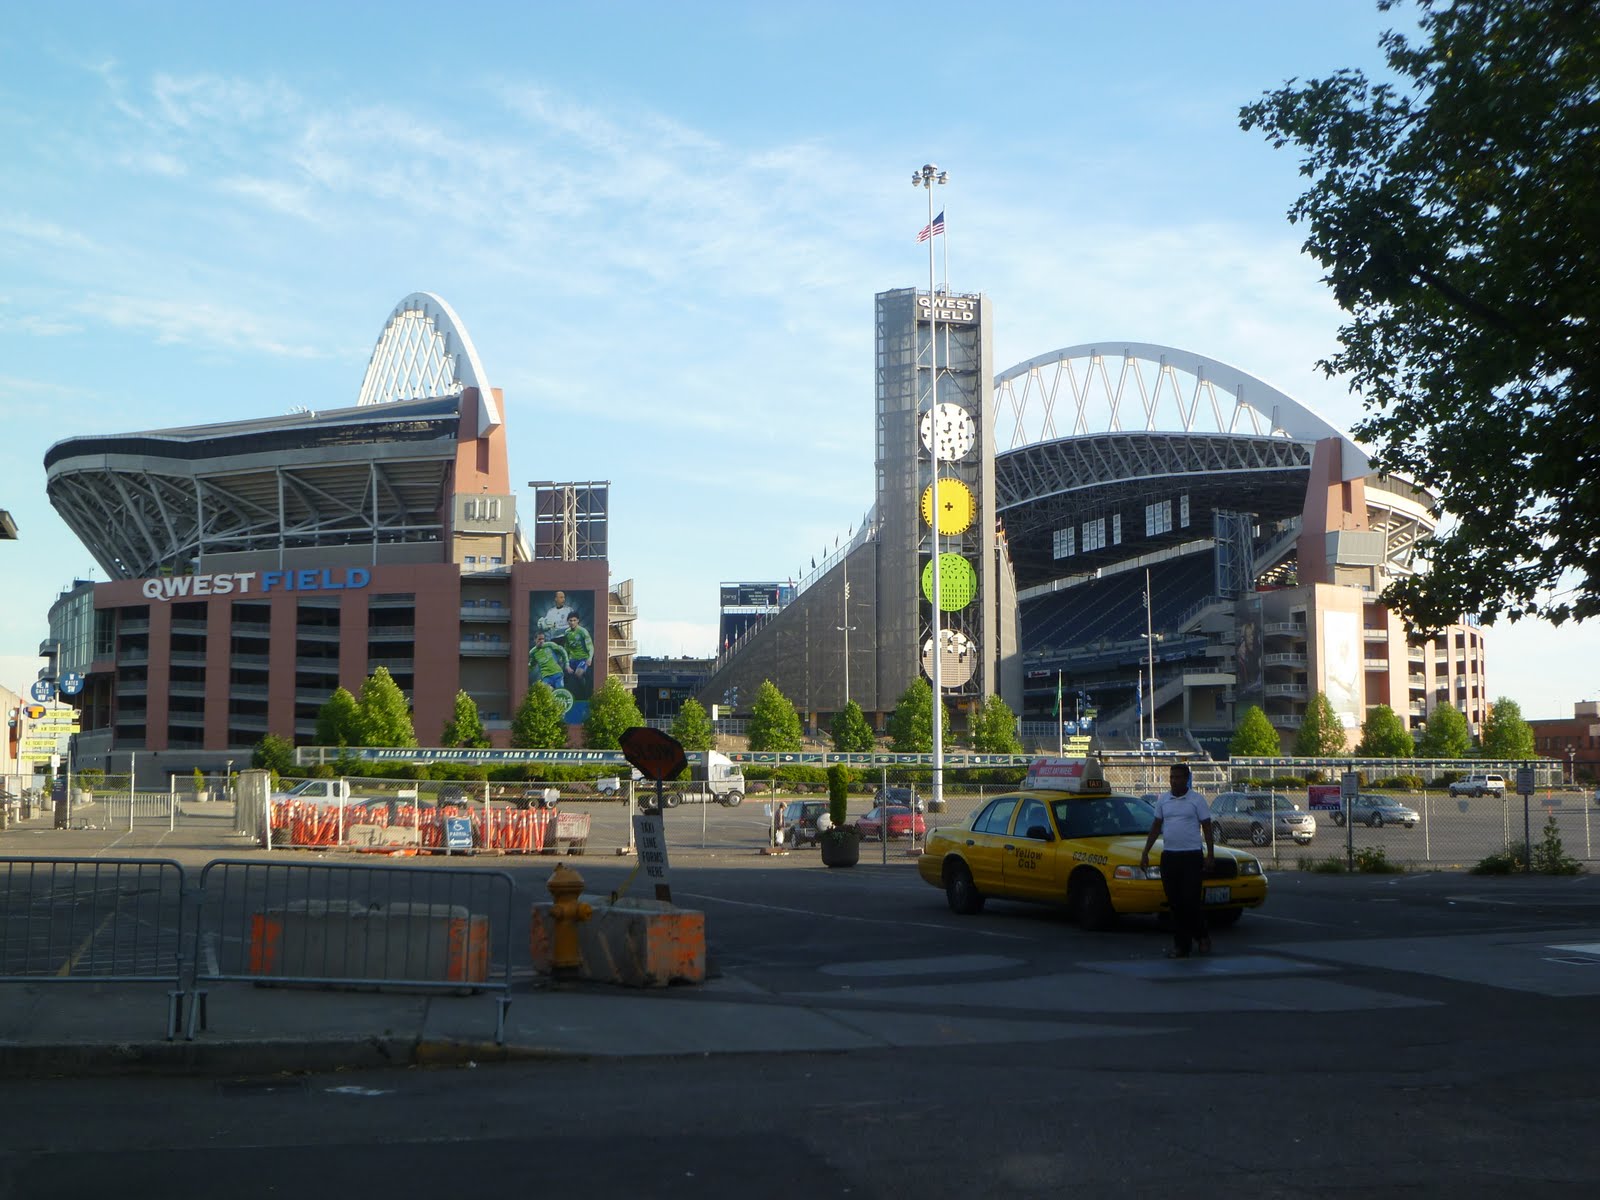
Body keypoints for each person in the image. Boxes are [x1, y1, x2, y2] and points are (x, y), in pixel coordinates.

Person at [1139, 762, 1214, 958]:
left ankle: (1197, 938)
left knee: (1190, 901)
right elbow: (1156, 826)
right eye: (1172, 777)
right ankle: (1186, 944)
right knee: (1175, 903)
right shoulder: (1163, 800)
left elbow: (1207, 827)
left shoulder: (1196, 800)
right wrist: (1145, 852)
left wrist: (1210, 855)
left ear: (1186, 779)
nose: (1174, 781)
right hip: (1170, 856)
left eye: (1178, 777)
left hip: (1191, 856)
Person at [559, 612, 595, 691]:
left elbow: (590, 646)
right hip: (572, 659)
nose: (572, 622)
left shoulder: (583, 632)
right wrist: (563, 659)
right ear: (568, 621)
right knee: (563, 675)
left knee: (578, 674)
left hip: (583, 659)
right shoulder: (567, 632)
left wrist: (590, 658)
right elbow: (567, 647)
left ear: (578, 621)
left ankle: (584, 689)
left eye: (574, 620)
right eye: (570, 620)